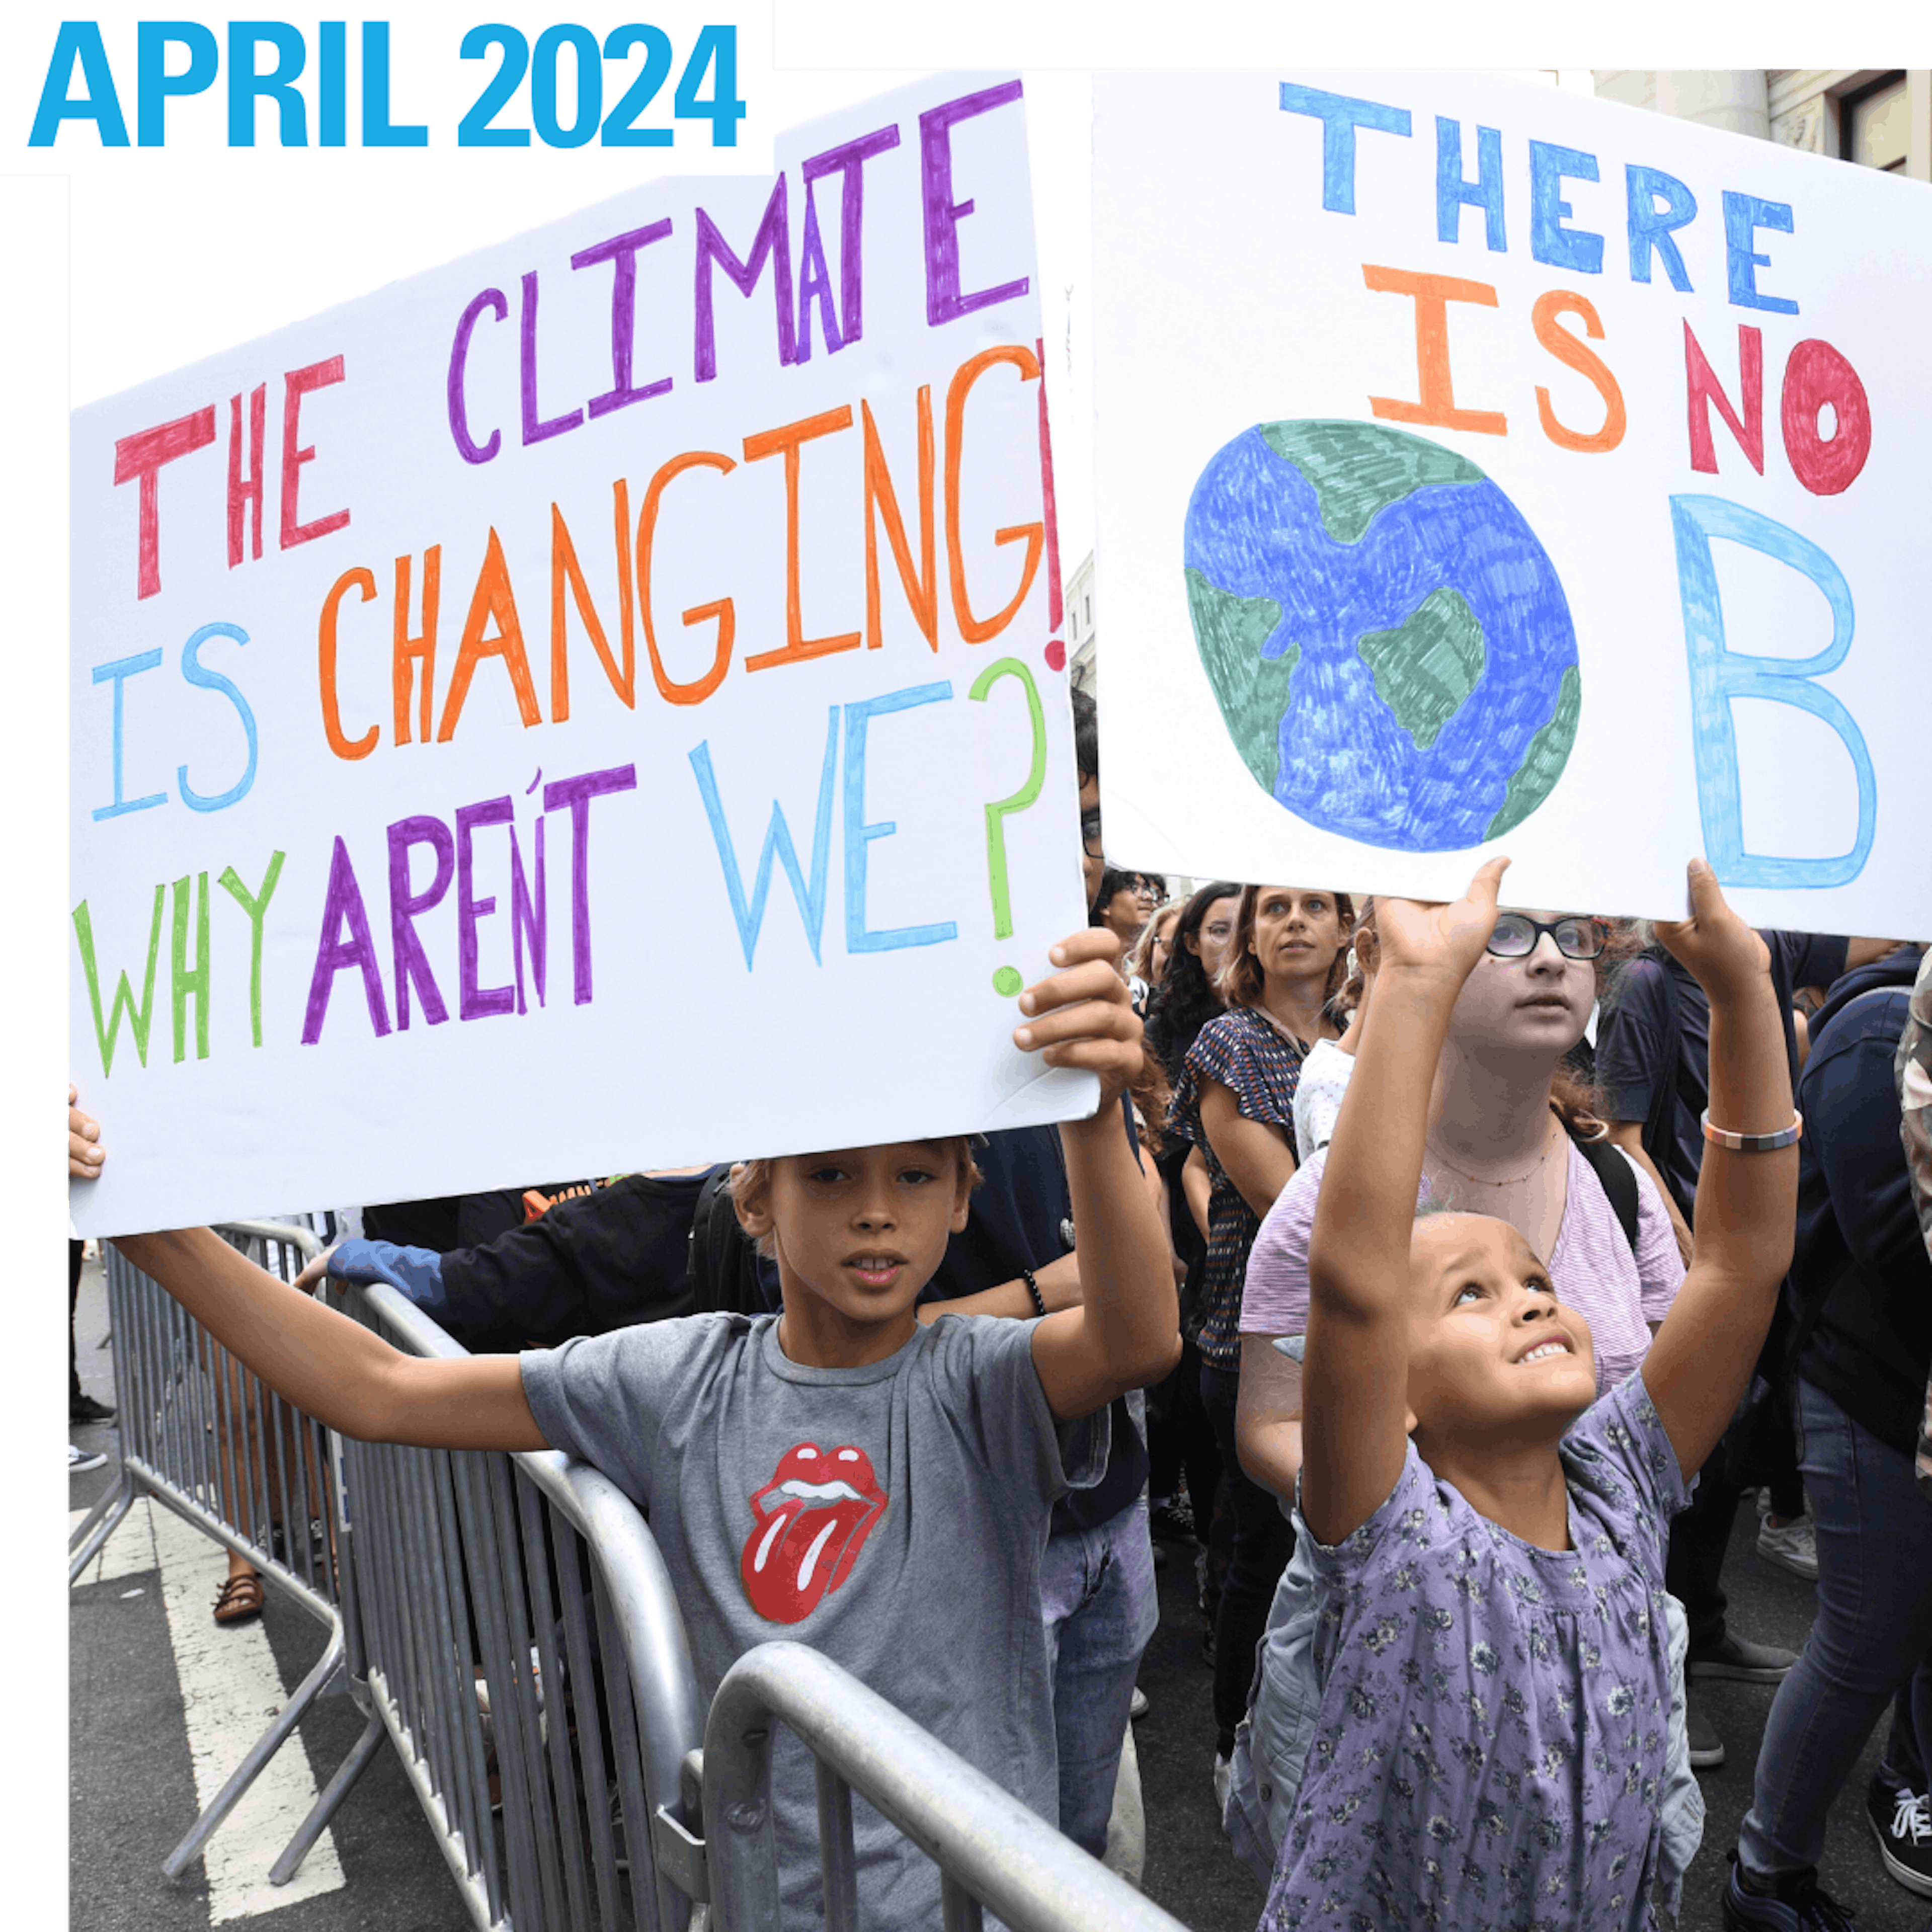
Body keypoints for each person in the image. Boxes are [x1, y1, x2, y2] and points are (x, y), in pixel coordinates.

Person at [102, 926, 1178, 1928]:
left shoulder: (979, 1381)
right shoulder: (677, 1377)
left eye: (915, 1175)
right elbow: (380, 1388)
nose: (876, 1210)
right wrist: (144, 1229)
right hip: (763, 1903)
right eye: (831, 1173)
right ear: (754, 1201)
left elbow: (1137, 1336)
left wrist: (1093, 1107)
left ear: (959, 1199)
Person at [1259, 855, 1795, 1932]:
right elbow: (1355, 1282)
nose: (1530, 1302)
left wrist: (1743, 993)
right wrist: (1415, 981)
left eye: (1537, 1282)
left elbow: (1743, 1263)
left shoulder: (1621, 1491)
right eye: (1469, 1293)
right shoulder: (1388, 1532)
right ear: (1390, 1392)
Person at [1722, 943, 1932, 1931]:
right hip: (1871, 1396)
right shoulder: (1874, 1030)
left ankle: (1907, 1789)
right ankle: (1767, 1874)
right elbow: (1893, 1235)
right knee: (1865, 1639)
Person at [1170, 883, 1352, 1782]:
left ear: (1348, 929)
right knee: (1263, 1553)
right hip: (1258, 1338)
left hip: (1358, 1334)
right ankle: (1235, 1748)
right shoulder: (1229, 1044)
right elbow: (1293, 1201)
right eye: (1273, 908)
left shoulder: (1364, 1037)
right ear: (1248, 937)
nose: (1294, 921)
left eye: (1315, 905)